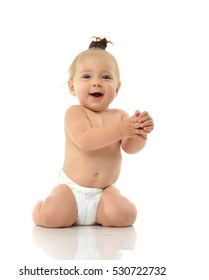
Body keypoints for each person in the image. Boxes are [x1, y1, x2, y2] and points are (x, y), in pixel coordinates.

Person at [32, 37, 154, 228]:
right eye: (87, 76)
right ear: (72, 87)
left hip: (104, 193)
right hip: (72, 191)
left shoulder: (121, 116)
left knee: (123, 216)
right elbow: (85, 141)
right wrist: (124, 129)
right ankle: (39, 209)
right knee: (52, 216)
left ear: (117, 87)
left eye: (106, 77)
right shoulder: (75, 113)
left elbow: (129, 148)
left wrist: (139, 133)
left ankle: (107, 212)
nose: (97, 82)